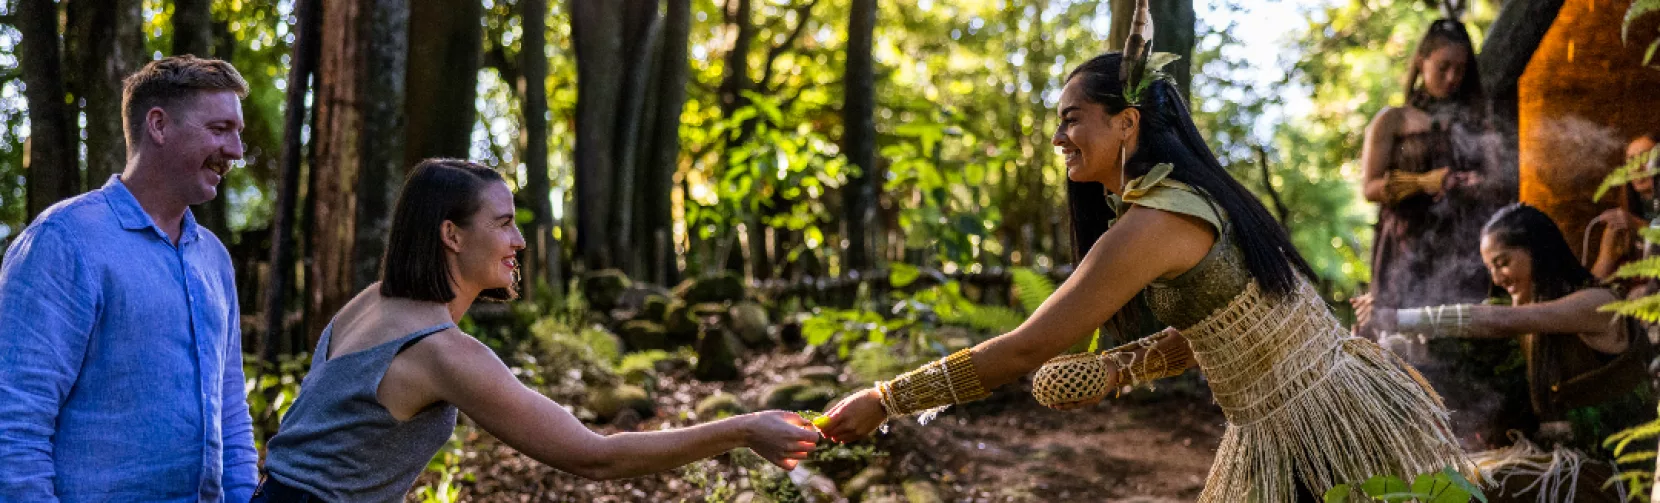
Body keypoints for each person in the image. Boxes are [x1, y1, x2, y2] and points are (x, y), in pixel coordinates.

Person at [817, 7, 1474, 499]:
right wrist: (1125, 366)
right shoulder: (1183, 199)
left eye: (1071, 118)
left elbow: (1023, 348)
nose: (1058, 138)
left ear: (1127, 122)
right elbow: (1224, 324)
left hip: (1318, 421)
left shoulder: (1153, 222)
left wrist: (888, 397)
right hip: (1295, 418)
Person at [252, 159, 820, 502]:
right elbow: (595, 458)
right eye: (503, 224)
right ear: (451, 235)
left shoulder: (370, 304)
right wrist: (743, 429)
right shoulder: (441, 353)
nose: (520, 241)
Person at [0, 56, 258, 501]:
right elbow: (15, 419)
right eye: (219, 130)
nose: (235, 150)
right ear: (158, 125)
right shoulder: (64, 242)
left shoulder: (213, 258)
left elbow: (231, 415)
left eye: (237, 133)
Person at [1358, 203, 1652, 502]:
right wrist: (1374, 343)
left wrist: (1399, 319)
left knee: (1487, 486)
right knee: (1447, 479)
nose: (1497, 278)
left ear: (1538, 252)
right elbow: (1457, 341)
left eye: (1503, 262)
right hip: (1563, 465)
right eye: (1490, 268)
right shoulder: (1529, 321)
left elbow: (1498, 321)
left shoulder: (1596, 304)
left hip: (1616, 479)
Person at [1356, 16, 1524, 448]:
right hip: (1404, 250)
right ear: (1422, 61)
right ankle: (1389, 442)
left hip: (1463, 250)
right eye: (1443, 66)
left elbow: (1500, 182)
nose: (1452, 77)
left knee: (1454, 342)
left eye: (1460, 69)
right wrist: (1424, 182)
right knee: (1398, 340)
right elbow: (1370, 187)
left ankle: (1458, 442)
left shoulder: (1475, 121)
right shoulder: (1392, 120)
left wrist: (1474, 185)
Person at [1589, 133, 1659, 282]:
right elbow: (1596, 281)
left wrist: (1638, 225)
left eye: (1646, 159)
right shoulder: (1626, 217)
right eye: (1631, 160)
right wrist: (1607, 256)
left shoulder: (1631, 221)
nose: (1637, 167)